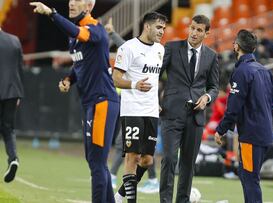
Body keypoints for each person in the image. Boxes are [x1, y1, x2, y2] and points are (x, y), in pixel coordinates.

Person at [30, 1, 119, 202]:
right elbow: (80, 65)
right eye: (70, 1)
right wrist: (69, 79)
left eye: (76, 1)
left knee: (97, 163)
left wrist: (51, 13)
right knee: (94, 161)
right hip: (90, 104)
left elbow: (80, 33)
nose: (71, 4)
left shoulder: (94, 28)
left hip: (102, 101)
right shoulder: (75, 35)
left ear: (88, 5)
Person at [160, 15, 219, 203]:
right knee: (169, 159)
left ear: (206, 33)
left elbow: (214, 87)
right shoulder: (171, 47)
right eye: (192, 28)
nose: (194, 33)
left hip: (195, 116)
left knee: (188, 164)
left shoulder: (211, 56)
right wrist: (155, 100)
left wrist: (207, 98)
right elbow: (156, 75)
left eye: (199, 30)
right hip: (171, 112)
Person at [215, 29, 273, 203]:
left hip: (251, 135)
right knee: (248, 175)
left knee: (249, 178)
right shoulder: (265, 71)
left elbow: (233, 107)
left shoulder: (241, 71)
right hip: (265, 132)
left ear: (236, 46)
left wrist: (221, 129)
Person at [111, 12, 167, 203]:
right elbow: (116, 78)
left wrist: (158, 102)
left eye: (164, 28)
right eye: (159, 27)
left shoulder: (160, 50)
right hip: (132, 109)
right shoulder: (128, 48)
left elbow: (157, 80)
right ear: (147, 26)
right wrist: (135, 85)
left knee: (148, 160)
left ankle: (119, 196)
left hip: (151, 111)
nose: (162, 31)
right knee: (132, 158)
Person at [0, 27, 24, 183]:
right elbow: (20, 69)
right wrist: (19, 94)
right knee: (8, 129)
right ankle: (13, 158)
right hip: (12, 91)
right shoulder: (15, 40)